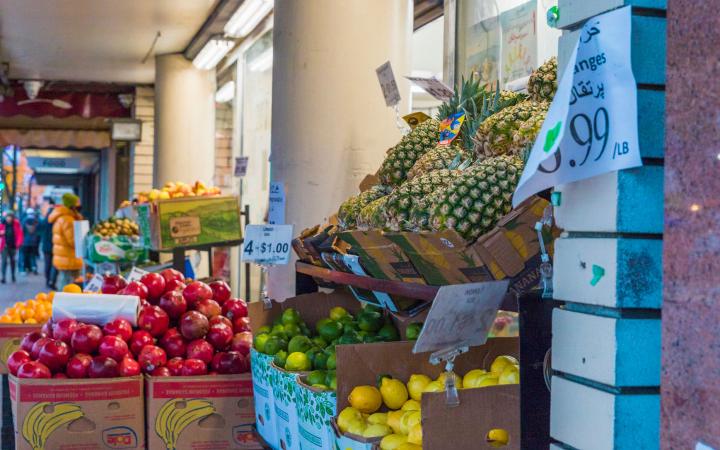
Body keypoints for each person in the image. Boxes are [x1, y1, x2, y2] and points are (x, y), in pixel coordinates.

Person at [49, 193, 84, 288]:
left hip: (64, 257)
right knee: (68, 285)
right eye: (77, 204)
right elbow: (73, 241)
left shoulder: (62, 217)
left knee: (65, 282)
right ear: (72, 206)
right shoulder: (68, 220)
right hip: (69, 258)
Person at [0, 211, 23, 283]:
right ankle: (3, 277)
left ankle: (13, 275)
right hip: (4, 246)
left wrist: (18, 243)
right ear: (5, 217)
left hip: (13, 246)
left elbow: (20, 234)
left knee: (13, 261)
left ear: (12, 218)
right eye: (7, 217)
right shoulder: (2, 224)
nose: (8, 218)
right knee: (4, 262)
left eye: (10, 217)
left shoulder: (16, 224)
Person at [40, 200, 58, 289]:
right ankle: (52, 281)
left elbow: (40, 228)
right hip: (55, 246)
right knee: (55, 265)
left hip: (46, 246)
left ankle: (48, 281)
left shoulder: (45, 220)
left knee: (47, 264)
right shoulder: (57, 220)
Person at [21, 208, 40, 275]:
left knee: (26, 256)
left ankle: (26, 269)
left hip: (25, 242)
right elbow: (38, 231)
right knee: (33, 256)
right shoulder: (36, 221)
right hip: (34, 242)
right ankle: (34, 267)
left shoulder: (24, 220)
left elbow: (22, 231)